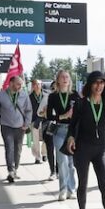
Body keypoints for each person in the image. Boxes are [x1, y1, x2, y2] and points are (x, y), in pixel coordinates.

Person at [65, 71, 105, 209]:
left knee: (104, 184)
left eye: (102, 83)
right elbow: (73, 124)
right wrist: (70, 138)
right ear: (90, 85)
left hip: (101, 148)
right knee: (83, 182)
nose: (99, 86)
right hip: (83, 148)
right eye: (96, 83)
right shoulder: (81, 103)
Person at [0, 76, 32, 184]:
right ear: (11, 83)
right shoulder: (0, 95)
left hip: (20, 127)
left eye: (21, 85)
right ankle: (10, 171)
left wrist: (27, 123)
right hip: (6, 126)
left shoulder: (24, 95)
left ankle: (15, 168)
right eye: (18, 84)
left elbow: (29, 110)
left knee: (18, 149)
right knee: (9, 148)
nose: (20, 86)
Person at [46, 70, 79, 201]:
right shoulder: (53, 96)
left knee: (71, 162)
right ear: (58, 80)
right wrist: (63, 116)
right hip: (59, 130)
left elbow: (81, 113)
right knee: (62, 161)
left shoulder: (75, 95)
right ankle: (63, 189)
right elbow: (49, 115)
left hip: (73, 131)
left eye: (67, 77)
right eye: (62, 77)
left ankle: (72, 189)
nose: (65, 79)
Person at [39, 81, 57, 181]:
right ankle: (53, 171)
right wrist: (44, 111)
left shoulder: (67, 97)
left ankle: (58, 170)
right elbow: (39, 112)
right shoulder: (47, 98)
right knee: (50, 149)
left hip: (62, 125)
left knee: (60, 150)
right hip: (50, 125)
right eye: (54, 88)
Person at [28, 79, 46, 166]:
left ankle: (44, 153)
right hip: (34, 121)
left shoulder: (46, 95)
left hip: (45, 120)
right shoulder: (30, 97)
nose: (37, 86)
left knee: (46, 139)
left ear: (41, 85)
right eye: (35, 84)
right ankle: (37, 157)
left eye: (38, 84)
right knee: (35, 140)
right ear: (33, 86)